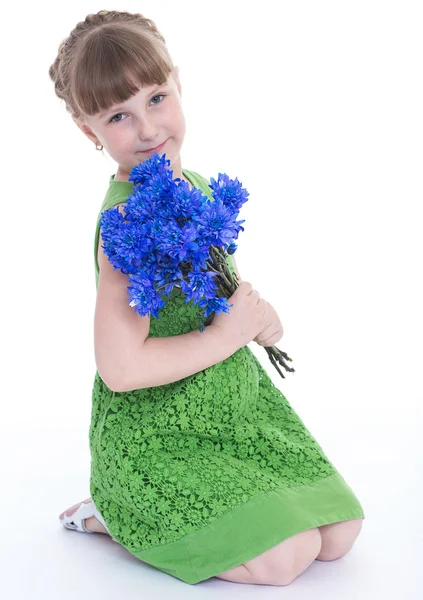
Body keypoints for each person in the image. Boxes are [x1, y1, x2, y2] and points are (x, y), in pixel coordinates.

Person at [49, 9, 365, 586]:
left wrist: (262, 321)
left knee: (338, 534)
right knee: (284, 559)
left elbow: (222, 294)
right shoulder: (124, 223)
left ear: (178, 85)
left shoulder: (192, 187)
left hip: (233, 406)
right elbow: (120, 368)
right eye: (119, 115)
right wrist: (227, 335)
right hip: (161, 431)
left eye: (156, 98)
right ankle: (117, 513)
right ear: (88, 131)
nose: (147, 129)